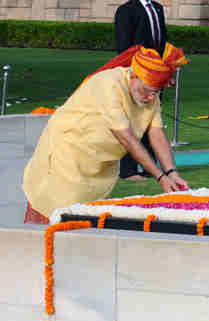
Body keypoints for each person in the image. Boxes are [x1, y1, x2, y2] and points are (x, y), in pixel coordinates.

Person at [22, 44, 190, 224]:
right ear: (133, 76)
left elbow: (156, 133)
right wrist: (160, 177)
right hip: (66, 155)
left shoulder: (150, 97)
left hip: (99, 165)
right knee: (50, 215)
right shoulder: (109, 84)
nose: (150, 97)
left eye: (155, 92)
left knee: (85, 222)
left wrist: (171, 172)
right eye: (147, 90)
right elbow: (126, 139)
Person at [114, 0, 168, 180]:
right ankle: (128, 170)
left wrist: (165, 71)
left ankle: (149, 167)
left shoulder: (158, 8)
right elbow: (123, 46)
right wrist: (133, 74)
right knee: (133, 121)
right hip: (136, 74)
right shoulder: (126, 10)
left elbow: (162, 43)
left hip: (155, 75)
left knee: (151, 121)